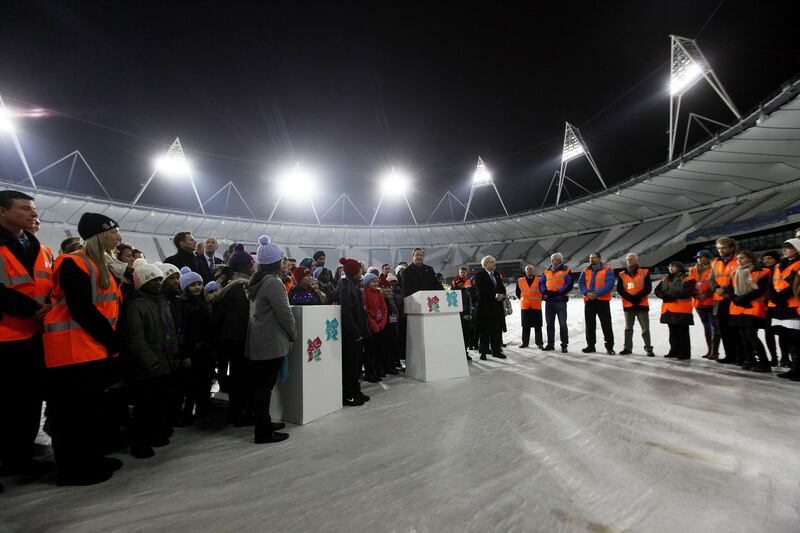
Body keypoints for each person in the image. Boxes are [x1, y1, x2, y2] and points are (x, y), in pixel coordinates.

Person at [43, 212, 123, 486]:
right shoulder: (73, 262)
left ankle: (92, 458)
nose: (118, 236)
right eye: (113, 231)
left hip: (91, 347)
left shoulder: (98, 264)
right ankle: (73, 469)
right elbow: (82, 309)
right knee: (71, 415)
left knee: (90, 411)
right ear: (99, 234)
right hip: (72, 350)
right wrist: (112, 340)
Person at [0, 190, 54, 484]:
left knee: (29, 402)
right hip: (5, 337)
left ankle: (19, 457)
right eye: (25, 209)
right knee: (7, 404)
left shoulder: (39, 247)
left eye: (34, 209)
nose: (34, 214)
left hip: (35, 336)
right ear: (3, 212)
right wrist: (32, 309)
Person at [120, 259, 176, 459]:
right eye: (154, 281)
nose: (159, 284)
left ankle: (154, 434)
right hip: (147, 366)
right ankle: (139, 442)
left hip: (164, 361)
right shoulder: (135, 306)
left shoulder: (160, 301)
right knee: (145, 406)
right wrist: (151, 362)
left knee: (158, 403)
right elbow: (136, 339)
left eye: (160, 281)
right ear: (143, 282)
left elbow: (170, 330)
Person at [245, 235, 296, 443]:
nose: (285, 264)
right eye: (283, 261)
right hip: (271, 341)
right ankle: (263, 431)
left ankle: (264, 423)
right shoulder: (272, 283)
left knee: (262, 386)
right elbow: (284, 313)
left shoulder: (256, 281)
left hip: (259, 339)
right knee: (264, 388)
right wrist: (293, 333)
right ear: (276, 263)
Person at [211, 244, 254, 423]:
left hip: (230, 337)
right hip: (238, 337)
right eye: (250, 265)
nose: (252, 268)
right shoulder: (240, 287)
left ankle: (237, 411)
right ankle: (238, 413)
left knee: (237, 375)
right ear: (242, 266)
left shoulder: (230, 284)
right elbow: (241, 316)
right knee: (240, 376)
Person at [174, 267, 213, 426]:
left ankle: (201, 413)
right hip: (192, 351)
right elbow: (180, 331)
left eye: (199, 284)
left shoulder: (203, 302)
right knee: (190, 386)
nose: (197, 287)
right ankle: (186, 415)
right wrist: (184, 354)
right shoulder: (182, 305)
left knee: (204, 384)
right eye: (193, 285)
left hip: (204, 351)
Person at [726, 250, 771, 372]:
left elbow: (760, 290)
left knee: (751, 335)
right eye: (738, 259)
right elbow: (730, 289)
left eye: (742, 258)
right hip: (737, 307)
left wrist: (742, 299)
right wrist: (736, 300)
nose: (739, 261)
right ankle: (750, 360)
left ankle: (764, 363)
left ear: (750, 259)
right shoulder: (734, 272)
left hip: (753, 307)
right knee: (743, 336)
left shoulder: (762, 272)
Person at [336, 257, 370, 406]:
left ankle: (356, 390)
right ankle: (348, 394)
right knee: (350, 366)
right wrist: (356, 333)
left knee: (356, 365)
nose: (361, 271)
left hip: (357, 333)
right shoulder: (345, 285)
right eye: (359, 269)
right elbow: (346, 312)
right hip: (350, 335)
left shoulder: (352, 284)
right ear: (355, 271)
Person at [769, 239, 800, 381]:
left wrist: (779, 297)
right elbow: (773, 283)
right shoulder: (778, 265)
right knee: (786, 336)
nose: (784, 250)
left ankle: (797, 369)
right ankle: (794, 368)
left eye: (788, 247)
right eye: (783, 248)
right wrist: (774, 297)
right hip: (779, 305)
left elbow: (796, 284)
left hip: (792, 305)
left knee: (795, 339)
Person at [710, 237, 741, 365]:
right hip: (720, 300)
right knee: (724, 329)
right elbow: (711, 279)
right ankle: (730, 355)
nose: (721, 250)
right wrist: (716, 288)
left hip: (734, 298)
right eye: (719, 248)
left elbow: (739, 278)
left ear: (732, 248)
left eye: (723, 248)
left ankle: (741, 356)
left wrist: (727, 291)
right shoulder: (715, 262)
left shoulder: (739, 259)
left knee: (737, 329)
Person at [654, 261, 694, 360]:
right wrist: (664, 296)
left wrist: (670, 297)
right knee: (673, 333)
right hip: (669, 309)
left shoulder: (686, 278)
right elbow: (657, 290)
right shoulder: (665, 278)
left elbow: (687, 292)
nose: (671, 269)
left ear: (679, 268)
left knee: (682, 332)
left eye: (673, 267)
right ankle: (674, 351)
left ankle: (684, 353)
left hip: (681, 310)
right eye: (669, 267)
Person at [578, 252, 616, 355]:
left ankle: (609, 347)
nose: (591, 260)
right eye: (590, 258)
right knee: (589, 324)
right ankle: (591, 346)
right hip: (589, 301)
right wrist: (587, 293)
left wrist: (597, 293)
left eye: (593, 258)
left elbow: (610, 283)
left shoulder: (607, 269)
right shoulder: (585, 270)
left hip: (602, 301)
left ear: (599, 258)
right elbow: (581, 283)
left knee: (606, 324)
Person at [616, 253, 654, 357]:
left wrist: (637, 297)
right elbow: (620, 289)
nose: (630, 261)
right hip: (628, 305)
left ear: (636, 260)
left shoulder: (644, 272)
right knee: (628, 328)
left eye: (632, 259)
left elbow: (648, 288)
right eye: (628, 259)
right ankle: (627, 348)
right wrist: (630, 298)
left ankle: (648, 348)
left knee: (645, 328)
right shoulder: (622, 274)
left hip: (641, 304)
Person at [473, 255, 506, 360]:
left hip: (497, 308)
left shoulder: (496, 275)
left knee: (496, 330)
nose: (494, 264)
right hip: (485, 308)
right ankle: (483, 351)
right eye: (492, 262)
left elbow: (502, 288)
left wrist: (503, 295)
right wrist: (496, 296)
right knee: (484, 330)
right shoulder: (479, 275)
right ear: (486, 264)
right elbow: (481, 291)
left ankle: (496, 351)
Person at [540, 253, 573, 353]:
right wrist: (545, 291)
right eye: (551, 259)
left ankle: (564, 344)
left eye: (554, 259)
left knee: (562, 324)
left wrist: (558, 292)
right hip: (549, 301)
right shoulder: (546, 271)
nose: (552, 261)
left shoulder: (566, 270)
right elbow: (541, 283)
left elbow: (569, 283)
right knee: (549, 324)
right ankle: (550, 344)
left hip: (560, 301)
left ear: (560, 260)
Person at [688, 250, 718, 359]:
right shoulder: (693, 270)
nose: (699, 259)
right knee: (706, 327)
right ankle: (709, 349)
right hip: (698, 302)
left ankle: (714, 351)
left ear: (708, 258)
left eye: (702, 257)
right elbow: (689, 284)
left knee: (715, 327)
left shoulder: (713, 269)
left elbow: (716, 282)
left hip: (711, 301)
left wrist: (707, 294)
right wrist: (694, 294)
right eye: (698, 258)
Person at [762, 250, 787, 367]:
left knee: (783, 332)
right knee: (769, 332)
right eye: (765, 259)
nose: (766, 261)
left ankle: (785, 357)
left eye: (769, 258)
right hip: (768, 306)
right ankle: (774, 357)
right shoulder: (762, 271)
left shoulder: (780, 269)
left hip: (781, 304)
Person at [363, 272, 388, 381]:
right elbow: (367, 313)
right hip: (371, 328)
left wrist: (382, 323)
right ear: (367, 283)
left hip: (380, 326)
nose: (376, 283)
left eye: (377, 281)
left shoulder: (379, 293)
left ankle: (377, 371)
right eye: (373, 281)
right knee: (370, 352)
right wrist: (374, 325)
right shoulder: (364, 294)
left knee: (379, 350)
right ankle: (369, 373)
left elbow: (384, 310)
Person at [516, 265, 543, 349]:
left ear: (533, 270)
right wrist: (524, 299)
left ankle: (539, 343)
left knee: (538, 326)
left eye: (531, 269)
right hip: (525, 306)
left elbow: (542, 291)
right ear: (525, 271)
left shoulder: (539, 280)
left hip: (536, 306)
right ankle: (525, 343)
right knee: (525, 326)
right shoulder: (520, 280)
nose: (529, 270)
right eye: (528, 269)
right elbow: (518, 292)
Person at [452, 267, 476, 358]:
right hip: (456, 317)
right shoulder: (452, 292)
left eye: (462, 283)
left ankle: (465, 352)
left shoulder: (466, 292)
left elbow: (469, 304)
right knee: (457, 335)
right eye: (459, 283)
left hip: (465, 316)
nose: (461, 284)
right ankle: (457, 352)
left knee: (466, 334)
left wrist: (469, 314)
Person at [379, 275, 401, 374]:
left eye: (389, 287)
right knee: (384, 349)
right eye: (385, 288)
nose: (388, 289)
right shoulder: (379, 299)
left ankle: (391, 366)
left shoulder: (391, 298)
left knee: (392, 347)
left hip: (392, 326)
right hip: (384, 328)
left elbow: (394, 312)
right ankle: (385, 367)